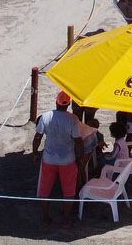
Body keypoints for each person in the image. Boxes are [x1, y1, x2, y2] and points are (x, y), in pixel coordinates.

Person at [34, 92, 90, 223]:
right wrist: (80, 158)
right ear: (68, 104)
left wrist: (35, 152)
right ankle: (65, 219)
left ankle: (45, 217)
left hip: (49, 159)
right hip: (68, 160)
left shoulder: (45, 117)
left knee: (45, 188)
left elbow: (38, 137)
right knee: (68, 191)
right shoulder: (73, 119)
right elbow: (78, 141)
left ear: (56, 102)